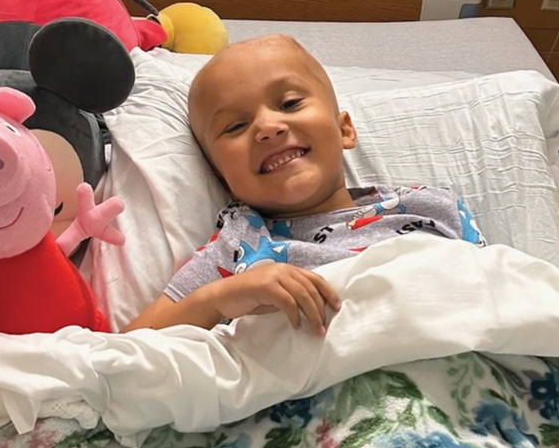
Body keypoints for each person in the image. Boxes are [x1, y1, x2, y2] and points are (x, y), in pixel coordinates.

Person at [122, 35, 484, 335]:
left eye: (290, 103)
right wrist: (219, 299)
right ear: (222, 178)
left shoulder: (433, 208)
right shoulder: (238, 245)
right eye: (235, 126)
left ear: (344, 129)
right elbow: (127, 350)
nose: (267, 127)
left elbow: (503, 294)